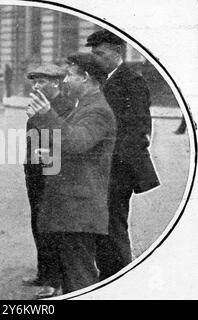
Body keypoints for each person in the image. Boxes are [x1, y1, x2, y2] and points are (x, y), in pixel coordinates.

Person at [27, 53, 116, 297]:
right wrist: (52, 153)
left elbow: (77, 142)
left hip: (78, 210)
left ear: (85, 78)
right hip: (71, 208)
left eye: (70, 76)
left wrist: (47, 113)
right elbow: (77, 148)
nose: (65, 81)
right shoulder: (86, 106)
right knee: (72, 277)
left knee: (80, 279)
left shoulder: (98, 110)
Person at [86, 30, 160, 280]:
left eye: (100, 53)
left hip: (118, 167)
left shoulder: (131, 80)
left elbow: (139, 127)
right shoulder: (105, 79)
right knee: (104, 221)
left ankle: (119, 276)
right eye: (93, 54)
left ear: (117, 52)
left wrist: (110, 159)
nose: (95, 58)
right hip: (105, 166)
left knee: (113, 223)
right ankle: (108, 273)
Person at [22, 64, 75, 289]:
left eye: (41, 81)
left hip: (54, 173)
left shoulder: (66, 107)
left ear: (56, 82)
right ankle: (44, 273)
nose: (35, 86)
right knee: (38, 224)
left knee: (53, 226)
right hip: (35, 171)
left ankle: (56, 280)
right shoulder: (39, 105)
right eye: (34, 81)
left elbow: (65, 140)